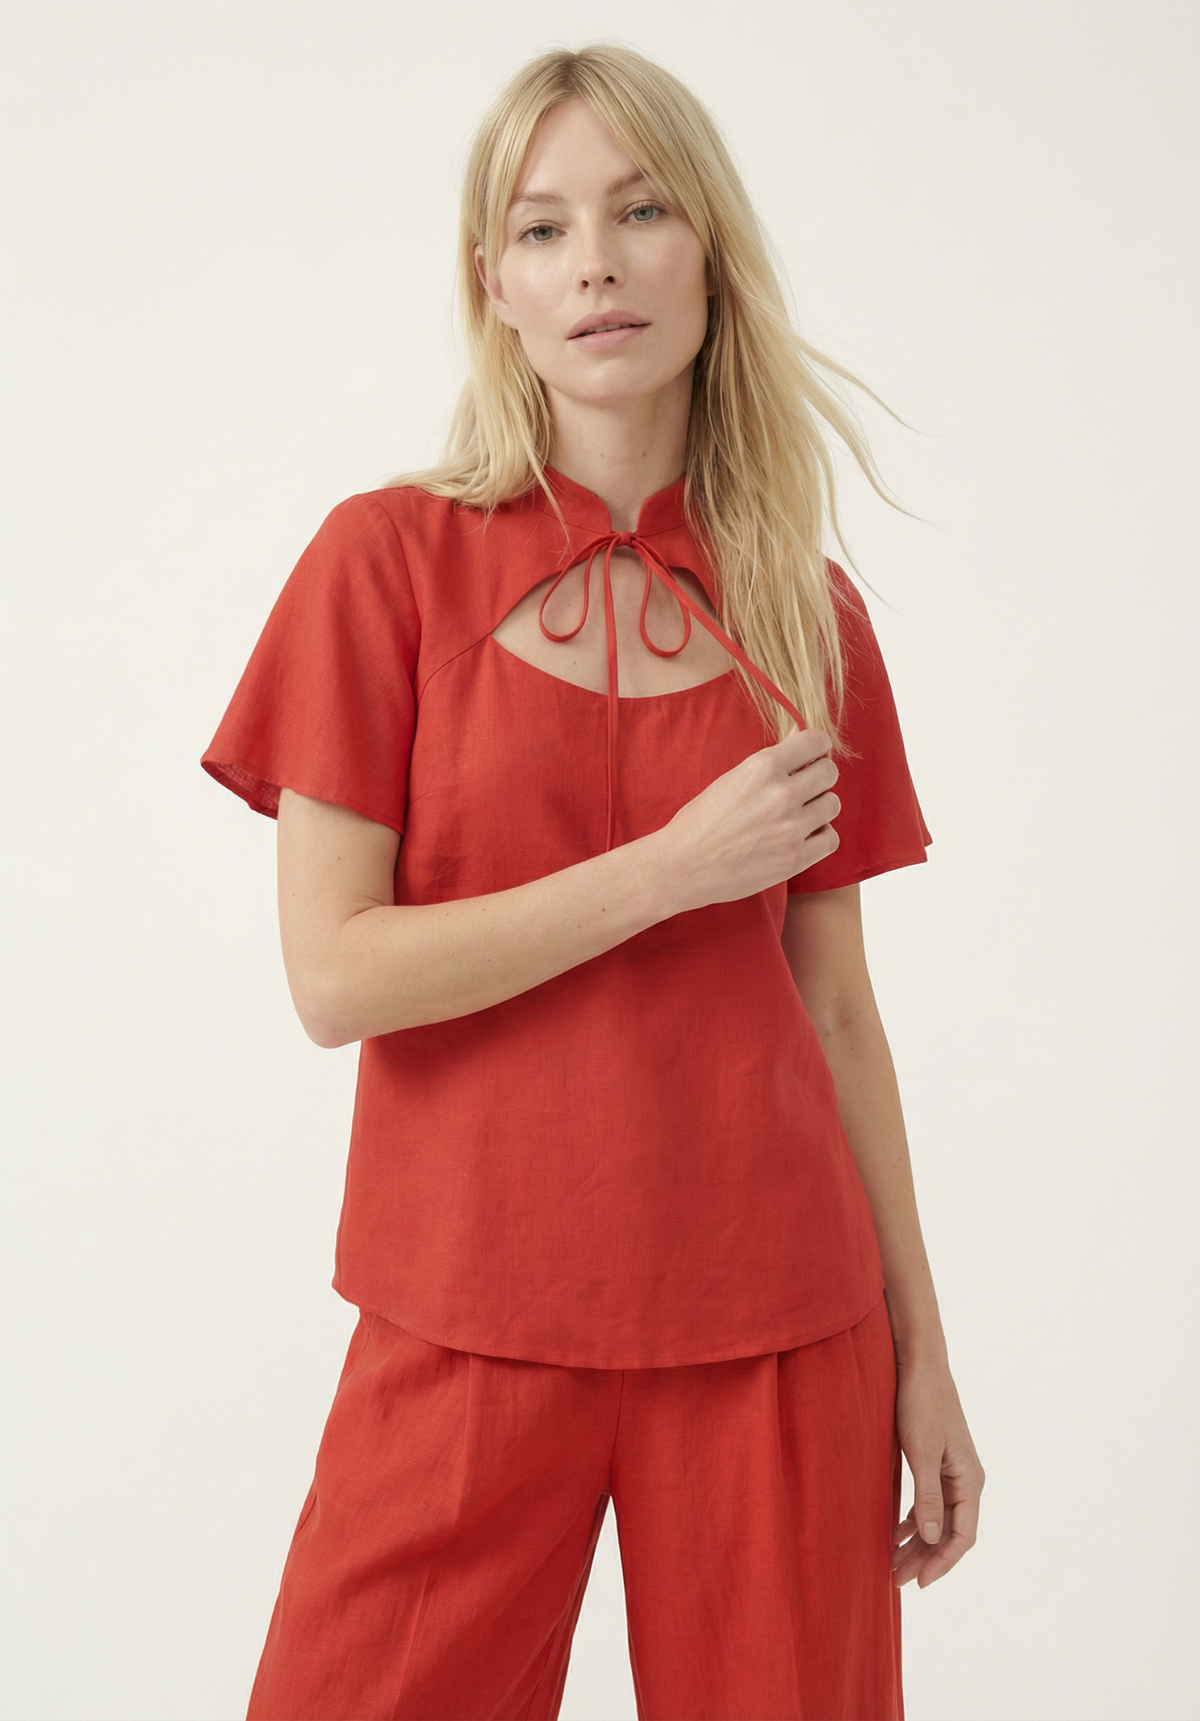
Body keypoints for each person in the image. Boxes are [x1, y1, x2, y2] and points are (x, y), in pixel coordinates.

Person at [202, 41, 985, 1721]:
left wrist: (925, 1351)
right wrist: (667, 871)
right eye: (543, 229)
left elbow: (839, 1012)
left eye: (640, 213)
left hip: (781, 1320)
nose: (596, 267)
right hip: (465, 1306)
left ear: (709, 249)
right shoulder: (385, 564)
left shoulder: (807, 616)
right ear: (493, 284)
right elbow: (334, 976)